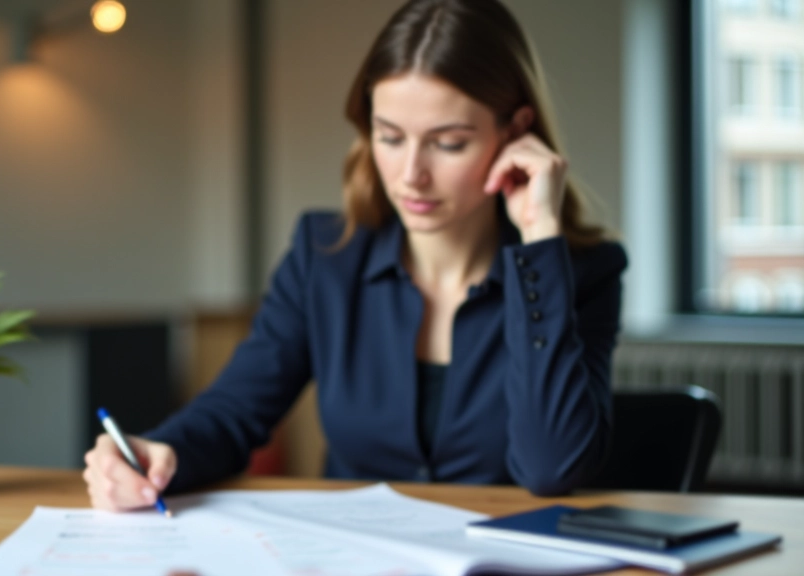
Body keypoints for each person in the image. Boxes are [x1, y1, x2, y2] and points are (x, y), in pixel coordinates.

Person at [83, 0, 627, 510]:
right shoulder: (325, 256)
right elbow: (233, 412)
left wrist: (540, 235)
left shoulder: (582, 272)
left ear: (516, 131)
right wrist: (157, 452)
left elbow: (551, 467)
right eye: (390, 136)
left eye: (448, 143)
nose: (411, 175)